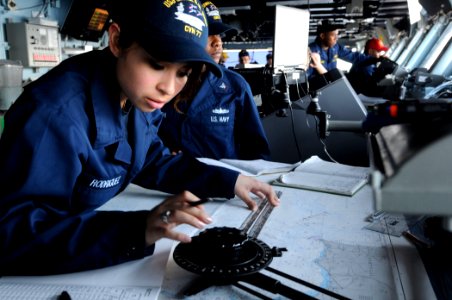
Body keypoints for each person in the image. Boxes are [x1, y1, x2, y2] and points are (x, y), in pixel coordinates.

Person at [0, 0, 279, 276]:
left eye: (183, 72)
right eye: (156, 64)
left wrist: (230, 180)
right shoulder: (55, 115)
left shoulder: (135, 94)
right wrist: (137, 230)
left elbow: (150, 160)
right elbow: (10, 232)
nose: (168, 88)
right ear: (117, 41)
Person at [158, 0, 271, 160]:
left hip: (222, 182)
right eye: (209, 33)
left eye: (219, 34)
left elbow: (258, 153)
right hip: (169, 181)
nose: (217, 42)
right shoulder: (160, 82)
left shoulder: (236, 86)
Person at [308, 20, 377, 82]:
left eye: (337, 34)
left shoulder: (335, 47)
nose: (336, 38)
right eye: (333, 35)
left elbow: (354, 57)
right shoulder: (311, 51)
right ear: (322, 35)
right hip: (320, 87)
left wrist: (376, 59)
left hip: (332, 84)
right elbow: (308, 78)